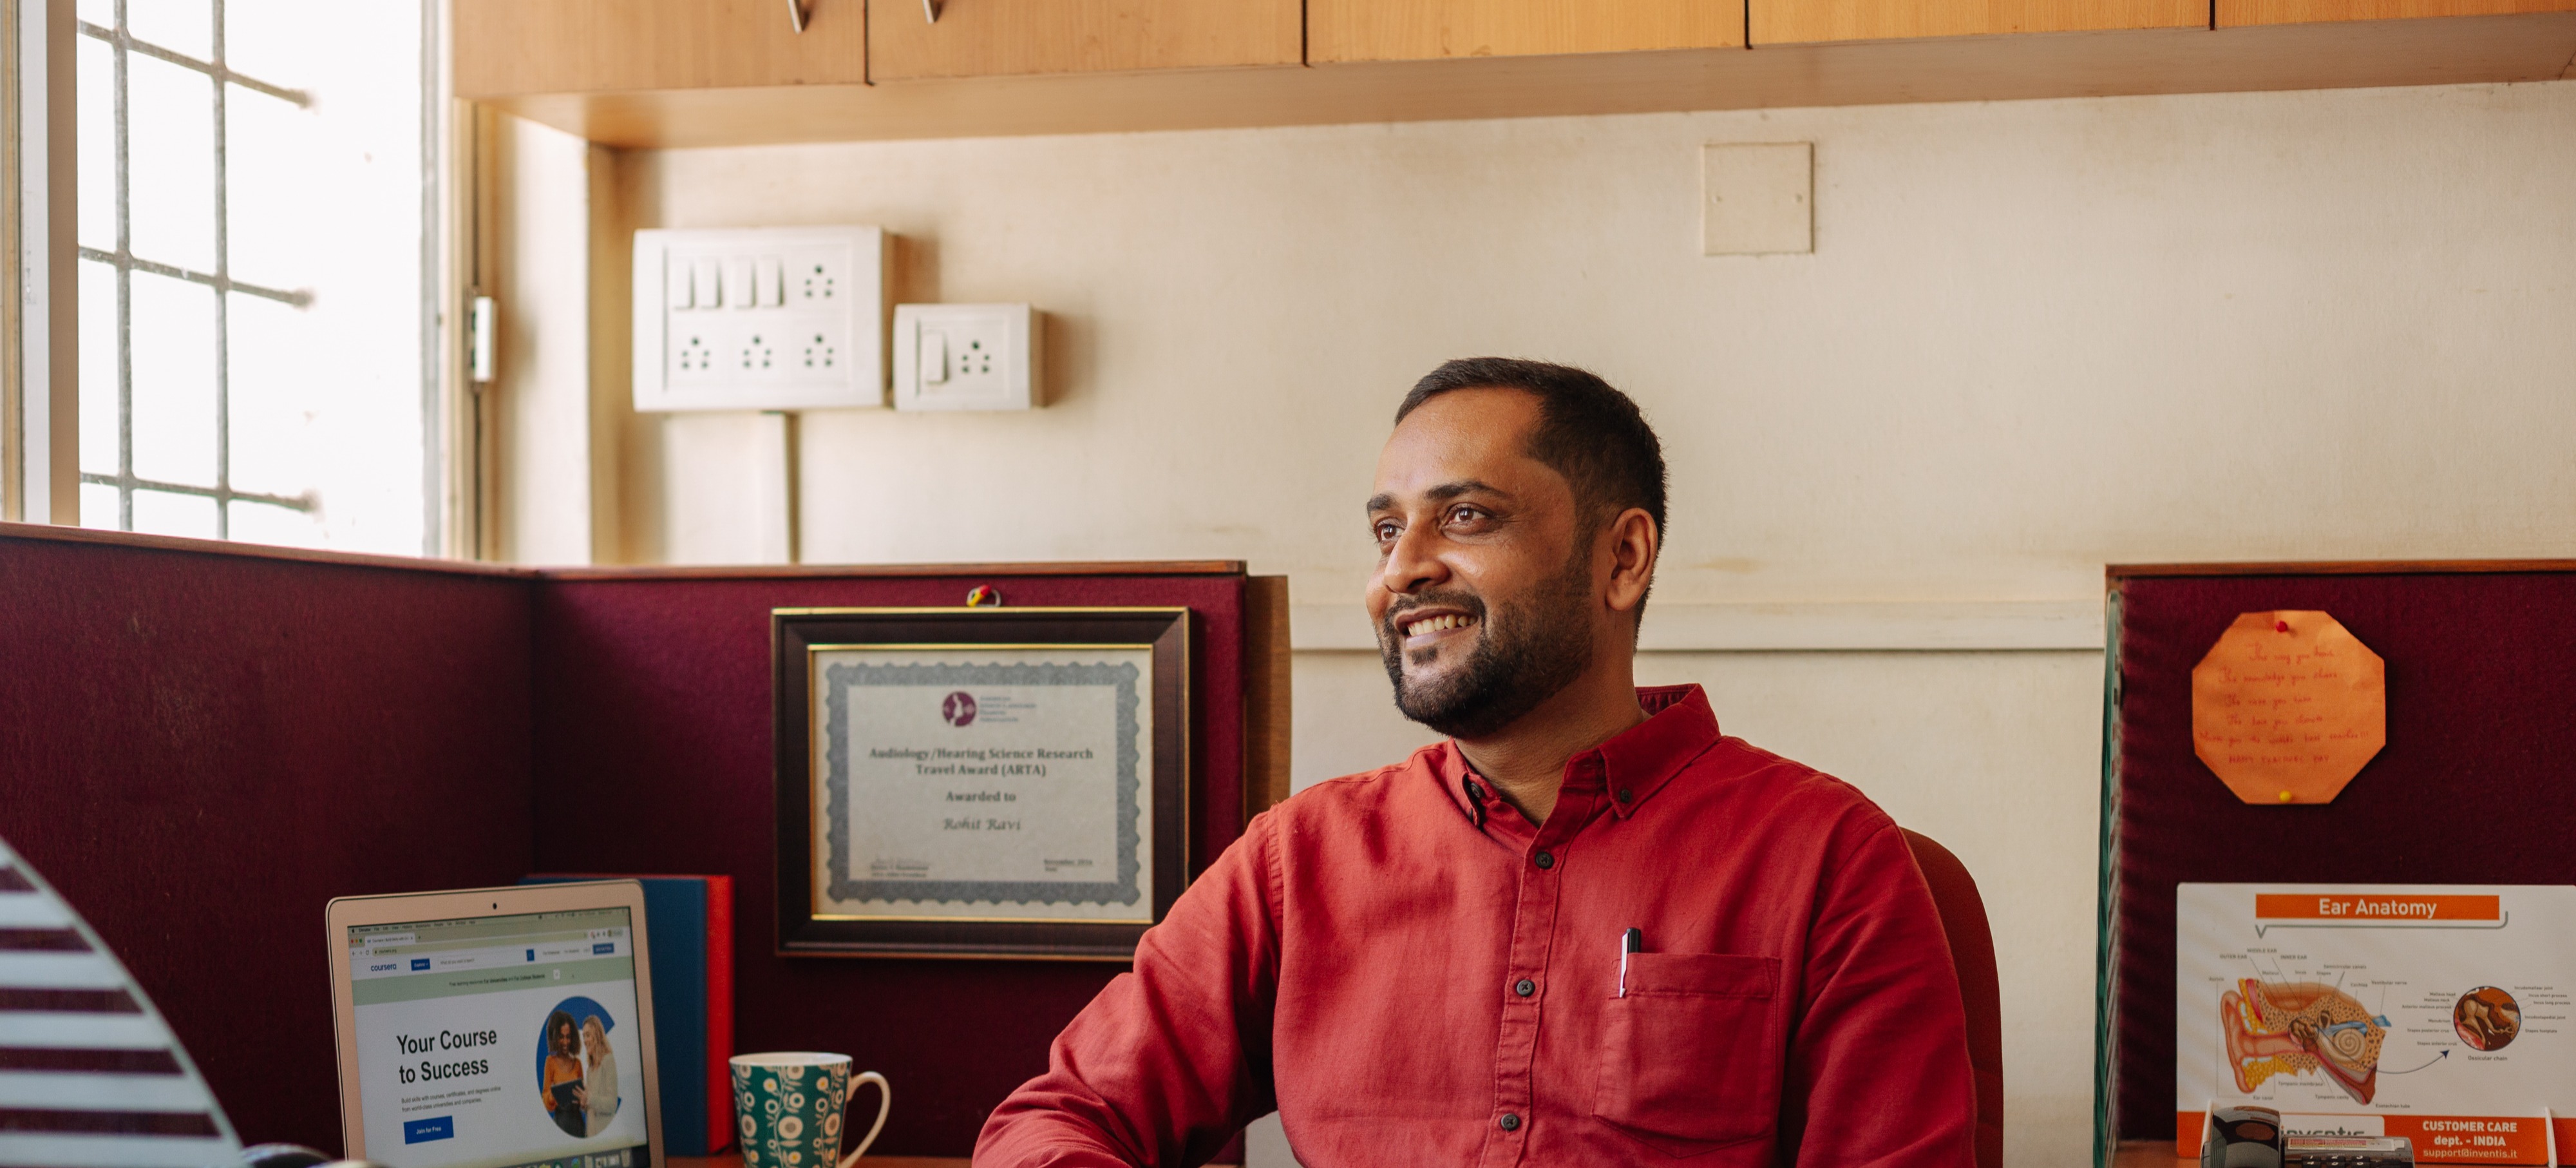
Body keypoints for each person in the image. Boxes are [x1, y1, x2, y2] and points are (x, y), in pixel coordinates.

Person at [976, 358, 1976, 1166]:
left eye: (1465, 517)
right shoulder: (1299, 859)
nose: (1400, 569)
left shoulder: (1830, 859)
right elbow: (1056, 1121)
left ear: (1622, 559)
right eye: (1387, 529)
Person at [540, 1010, 586, 1138]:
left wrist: (583, 1101)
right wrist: (557, 1094)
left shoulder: (578, 1064)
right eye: (561, 1037)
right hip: (560, 1122)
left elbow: (583, 1098)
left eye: (568, 1037)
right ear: (555, 1038)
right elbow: (546, 1100)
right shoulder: (550, 1062)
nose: (565, 1042)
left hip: (578, 1123)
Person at [581, 1015, 621, 1136]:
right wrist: (584, 1104)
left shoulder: (608, 1060)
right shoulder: (590, 1069)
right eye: (584, 1036)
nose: (585, 1040)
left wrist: (589, 1099)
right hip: (591, 1136)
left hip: (605, 1136)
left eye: (588, 1035)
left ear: (597, 1036)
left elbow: (612, 1104)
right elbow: (592, 1106)